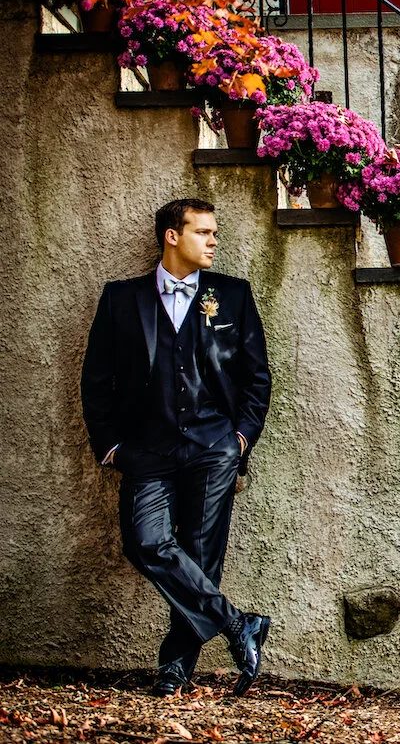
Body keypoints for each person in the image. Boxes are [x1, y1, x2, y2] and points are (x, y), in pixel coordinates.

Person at [80, 198, 273, 698]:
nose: (214, 241)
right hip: (147, 450)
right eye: (203, 232)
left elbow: (256, 377)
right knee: (146, 542)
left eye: (215, 233)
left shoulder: (232, 295)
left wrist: (239, 440)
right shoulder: (122, 299)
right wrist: (112, 449)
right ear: (172, 235)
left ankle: (175, 669)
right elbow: (96, 381)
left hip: (213, 447)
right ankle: (237, 625)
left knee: (201, 557)